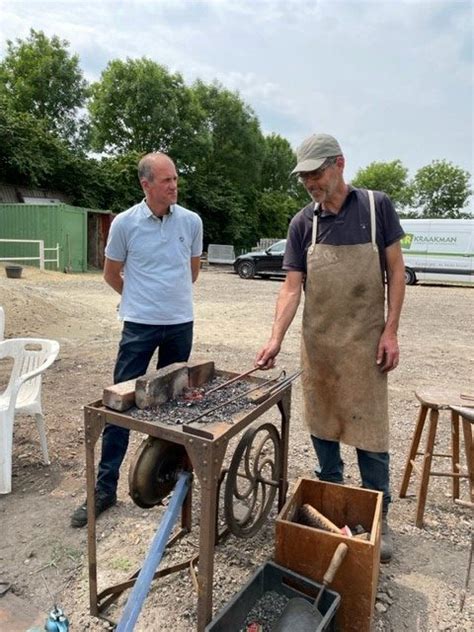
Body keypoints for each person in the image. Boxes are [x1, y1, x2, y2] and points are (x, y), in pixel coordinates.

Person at [256, 133, 405, 562]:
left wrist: (390, 331)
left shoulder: (377, 208)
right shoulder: (303, 223)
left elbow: (396, 274)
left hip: (365, 348)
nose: (309, 183)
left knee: (370, 437)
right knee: (324, 431)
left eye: (316, 173)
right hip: (319, 347)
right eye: (304, 176)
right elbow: (290, 289)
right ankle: (333, 508)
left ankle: (380, 518)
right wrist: (275, 338)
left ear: (339, 163)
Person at [71, 152, 203, 528]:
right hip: (139, 326)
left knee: (177, 403)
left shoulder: (191, 221)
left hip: (180, 323)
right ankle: (104, 488)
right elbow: (112, 274)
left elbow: (190, 272)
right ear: (146, 185)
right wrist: (139, 300)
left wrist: (165, 298)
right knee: (120, 405)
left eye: (176, 179)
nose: (174, 185)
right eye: (166, 181)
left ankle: (171, 479)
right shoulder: (125, 224)